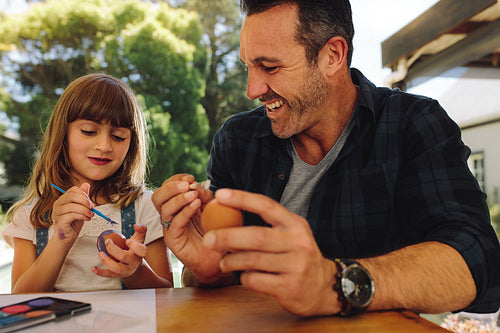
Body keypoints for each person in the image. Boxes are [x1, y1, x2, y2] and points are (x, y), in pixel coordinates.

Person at [152, 0, 500, 317]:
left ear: (333, 55)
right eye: (248, 67)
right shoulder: (236, 141)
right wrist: (210, 272)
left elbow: (476, 260)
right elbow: (216, 287)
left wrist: (337, 282)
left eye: (269, 67)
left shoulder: (412, 124)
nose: (252, 90)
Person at [1, 73, 172, 293]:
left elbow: (167, 295)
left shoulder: (145, 207)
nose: (104, 145)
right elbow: (20, 300)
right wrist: (60, 240)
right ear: (63, 134)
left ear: (132, 142)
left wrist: (135, 271)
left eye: (119, 136)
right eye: (89, 131)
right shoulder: (30, 217)